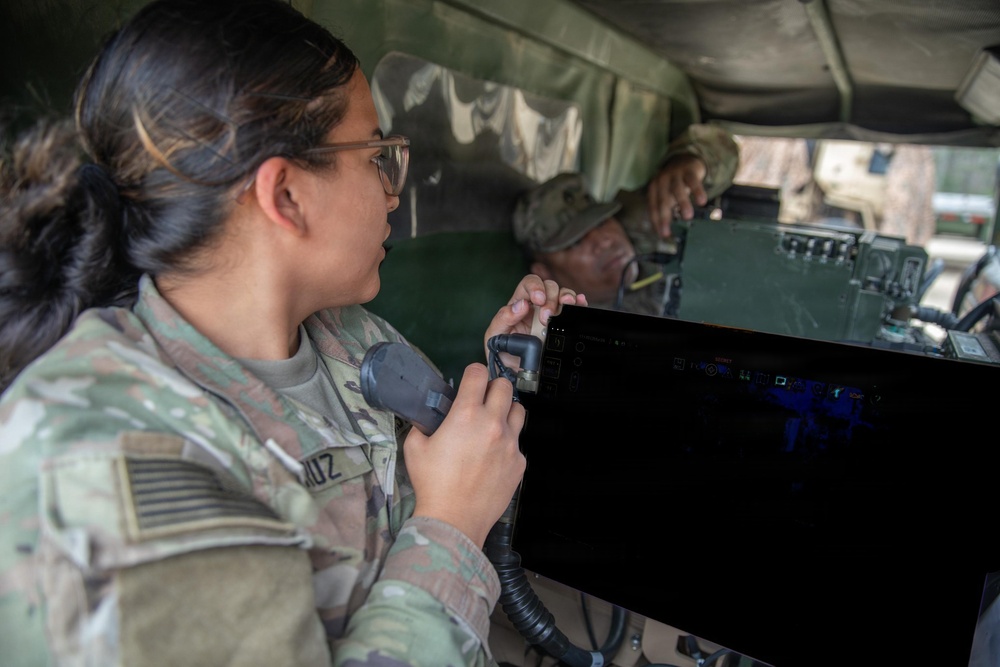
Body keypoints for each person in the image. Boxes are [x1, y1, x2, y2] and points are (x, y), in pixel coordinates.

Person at [0, 1, 585, 665]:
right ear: (285, 195)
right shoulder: (102, 469)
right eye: (377, 156)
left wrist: (509, 379)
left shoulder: (351, 340)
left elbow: (460, 475)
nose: (393, 193)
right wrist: (450, 526)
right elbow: (452, 510)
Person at [513, 124, 739, 316]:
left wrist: (691, 161)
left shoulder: (650, 224)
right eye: (575, 242)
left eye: (602, 222)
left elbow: (722, 146)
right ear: (544, 273)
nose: (603, 241)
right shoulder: (561, 333)